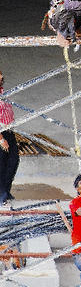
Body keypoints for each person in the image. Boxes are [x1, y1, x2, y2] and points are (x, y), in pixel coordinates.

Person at [0, 71, 19, 206]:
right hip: (1, 132)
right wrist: (1, 139)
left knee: (13, 161)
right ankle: (1, 194)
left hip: (9, 131)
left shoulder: (3, 94)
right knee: (1, 164)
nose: (1, 81)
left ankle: (6, 190)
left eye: (2, 78)